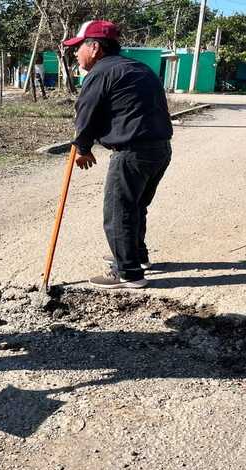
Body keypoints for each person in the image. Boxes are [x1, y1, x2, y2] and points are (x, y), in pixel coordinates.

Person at [62, 20, 173, 289]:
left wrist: (82, 147)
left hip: (132, 152)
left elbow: (86, 113)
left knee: (118, 210)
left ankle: (127, 272)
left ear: (95, 48)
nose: (75, 54)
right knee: (135, 205)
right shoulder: (139, 68)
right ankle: (136, 255)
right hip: (160, 149)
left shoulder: (100, 73)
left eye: (78, 48)